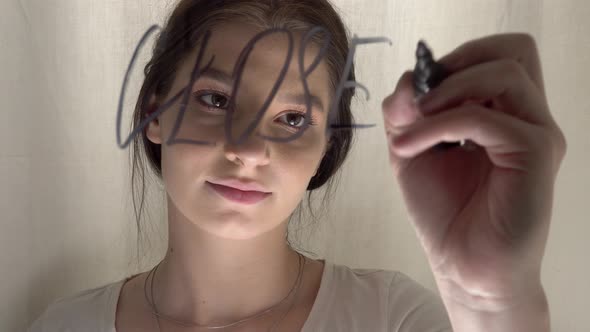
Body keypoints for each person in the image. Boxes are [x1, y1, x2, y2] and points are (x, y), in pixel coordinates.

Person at [27, 0, 566, 331]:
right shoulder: (63, 327)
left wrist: (495, 300)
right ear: (154, 114)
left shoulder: (395, 320)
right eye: (215, 100)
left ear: (323, 150)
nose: (250, 149)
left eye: (291, 119)